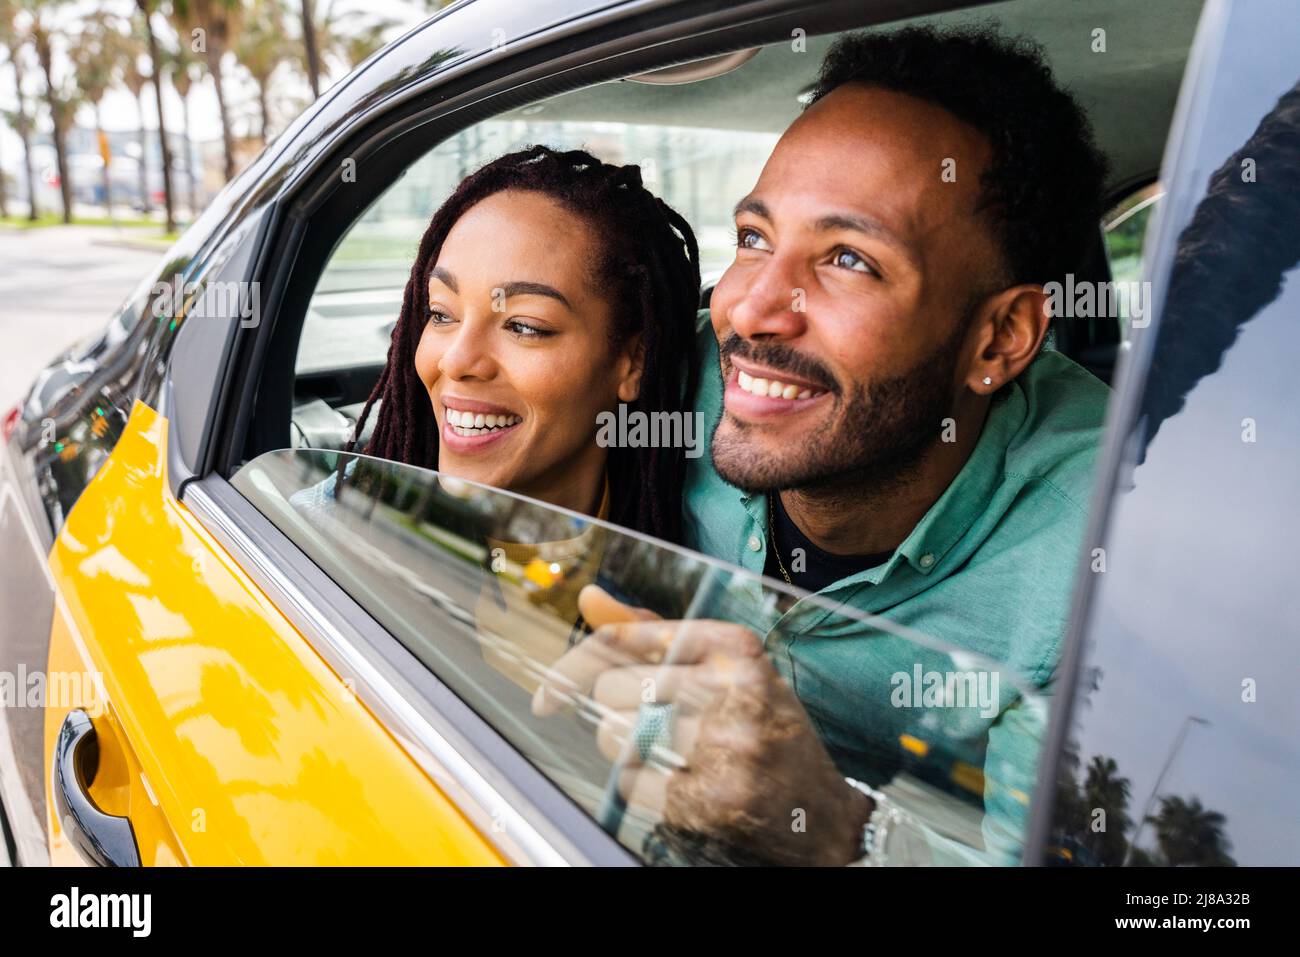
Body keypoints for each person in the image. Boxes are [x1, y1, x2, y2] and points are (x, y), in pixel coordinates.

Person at [533, 25, 1113, 865]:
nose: (750, 309)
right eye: (755, 239)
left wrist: (834, 828)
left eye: (848, 258)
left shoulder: (1099, 568)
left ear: (999, 338)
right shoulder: (674, 375)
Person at [291, 144, 702, 687]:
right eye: (441, 314)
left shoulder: (698, 560)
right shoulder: (322, 536)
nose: (457, 360)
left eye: (525, 326)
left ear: (633, 362)